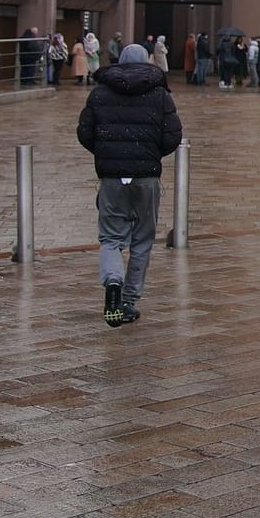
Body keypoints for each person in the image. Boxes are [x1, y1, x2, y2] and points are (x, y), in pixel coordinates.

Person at [76, 43, 183, 327]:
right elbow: (172, 135)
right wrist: (150, 154)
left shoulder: (99, 92)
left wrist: (106, 153)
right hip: (146, 175)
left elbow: (85, 132)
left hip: (111, 176)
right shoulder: (160, 94)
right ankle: (128, 300)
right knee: (142, 239)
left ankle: (113, 282)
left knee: (110, 238)